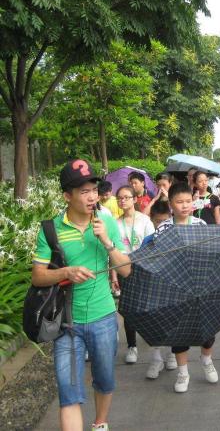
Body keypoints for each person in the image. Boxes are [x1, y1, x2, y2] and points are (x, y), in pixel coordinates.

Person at [32, 159, 131, 431]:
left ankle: (100, 423)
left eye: (94, 190)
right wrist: (66, 272)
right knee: (68, 391)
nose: (92, 196)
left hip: (103, 318)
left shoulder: (106, 224)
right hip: (66, 323)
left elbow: (126, 271)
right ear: (67, 196)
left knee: (105, 380)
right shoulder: (51, 229)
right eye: (84, 191)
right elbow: (38, 276)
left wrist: (107, 242)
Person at [155, 182, 219, 393]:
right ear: (171, 204)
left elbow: (210, 254)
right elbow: (159, 257)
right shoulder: (164, 227)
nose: (184, 206)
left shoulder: (200, 225)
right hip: (175, 286)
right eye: (179, 202)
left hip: (200, 284)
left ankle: (206, 359)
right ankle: (183, 373)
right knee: (179, 330)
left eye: (188, 201)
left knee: (207, 329)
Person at [112, 185, 155, 365]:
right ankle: (132, 346)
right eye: (119, 198)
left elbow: (153, 246)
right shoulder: (115, 223)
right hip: (124, 269)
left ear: (135, 199)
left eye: (126, 197)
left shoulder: (145, 221)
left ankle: (156, 344)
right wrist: (114, 276)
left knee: (147, 307)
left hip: (143, 269)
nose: (123, 200)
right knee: (128, 308)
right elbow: (112, 251)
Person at [145, 200, 178, 378]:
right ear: (152, 219)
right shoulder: (148, 240)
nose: (161, 224)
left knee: (173, 319)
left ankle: (173, 352)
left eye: (165, 220)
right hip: (155, 287)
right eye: (158, 221)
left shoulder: (177, 238)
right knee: (155, 321)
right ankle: (156, 357)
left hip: (174, 287)